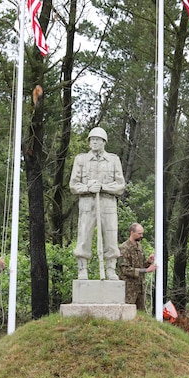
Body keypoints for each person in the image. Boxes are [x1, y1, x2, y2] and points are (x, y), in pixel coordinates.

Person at [69, 127, 126, 280]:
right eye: (91, 139)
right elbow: (73, 185)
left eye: (97, 139)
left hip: (107, 203)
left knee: (111, 235)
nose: (94, 142)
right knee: (84, 235)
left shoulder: (113, 160)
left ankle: (110, 269)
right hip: (87, 203)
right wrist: (88, 187)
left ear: (103, 142)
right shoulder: (81, 160)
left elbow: (120, 185)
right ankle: (82, 269)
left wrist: (103, 187)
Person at [118, 223, 156, 311]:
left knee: (141, 314)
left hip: (140, 288)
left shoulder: (139, 247)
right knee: (127, 313)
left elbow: (140, 265)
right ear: (132, 232)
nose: (141, 236)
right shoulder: (124, 248)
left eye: (142, 233)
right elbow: (125, 270)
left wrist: (148, 262)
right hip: (129, 289)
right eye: (139, 234)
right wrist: (145, 270)